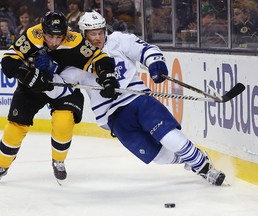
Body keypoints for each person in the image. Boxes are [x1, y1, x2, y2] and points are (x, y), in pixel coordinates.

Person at [47, 11, 226, 186]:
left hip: (138, 100)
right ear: (83, 34)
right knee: (160, 157)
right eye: (93, 34)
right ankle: (191, 158)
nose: (98, 38)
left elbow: (145, 49)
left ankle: (203, 167)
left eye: (100, 32)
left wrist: (155, 62)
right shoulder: (75, 57)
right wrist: (46, 76)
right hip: (114, 117)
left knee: (169, 137)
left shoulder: (119, 41)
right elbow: (59, 87)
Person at [0, 12, 115, 183]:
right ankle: (2, 164)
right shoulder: (33, 35)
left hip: (65, 87)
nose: (54, 42)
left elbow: (99, 58)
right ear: (43, 30)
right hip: (33, 87)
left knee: (64, 120)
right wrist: (27, 75)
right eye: (50, 37)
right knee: (16, 126)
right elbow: (8, 61)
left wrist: (107, 76)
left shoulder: (74, 40)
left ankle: (58, 160)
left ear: (65, 33)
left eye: (59, 37)